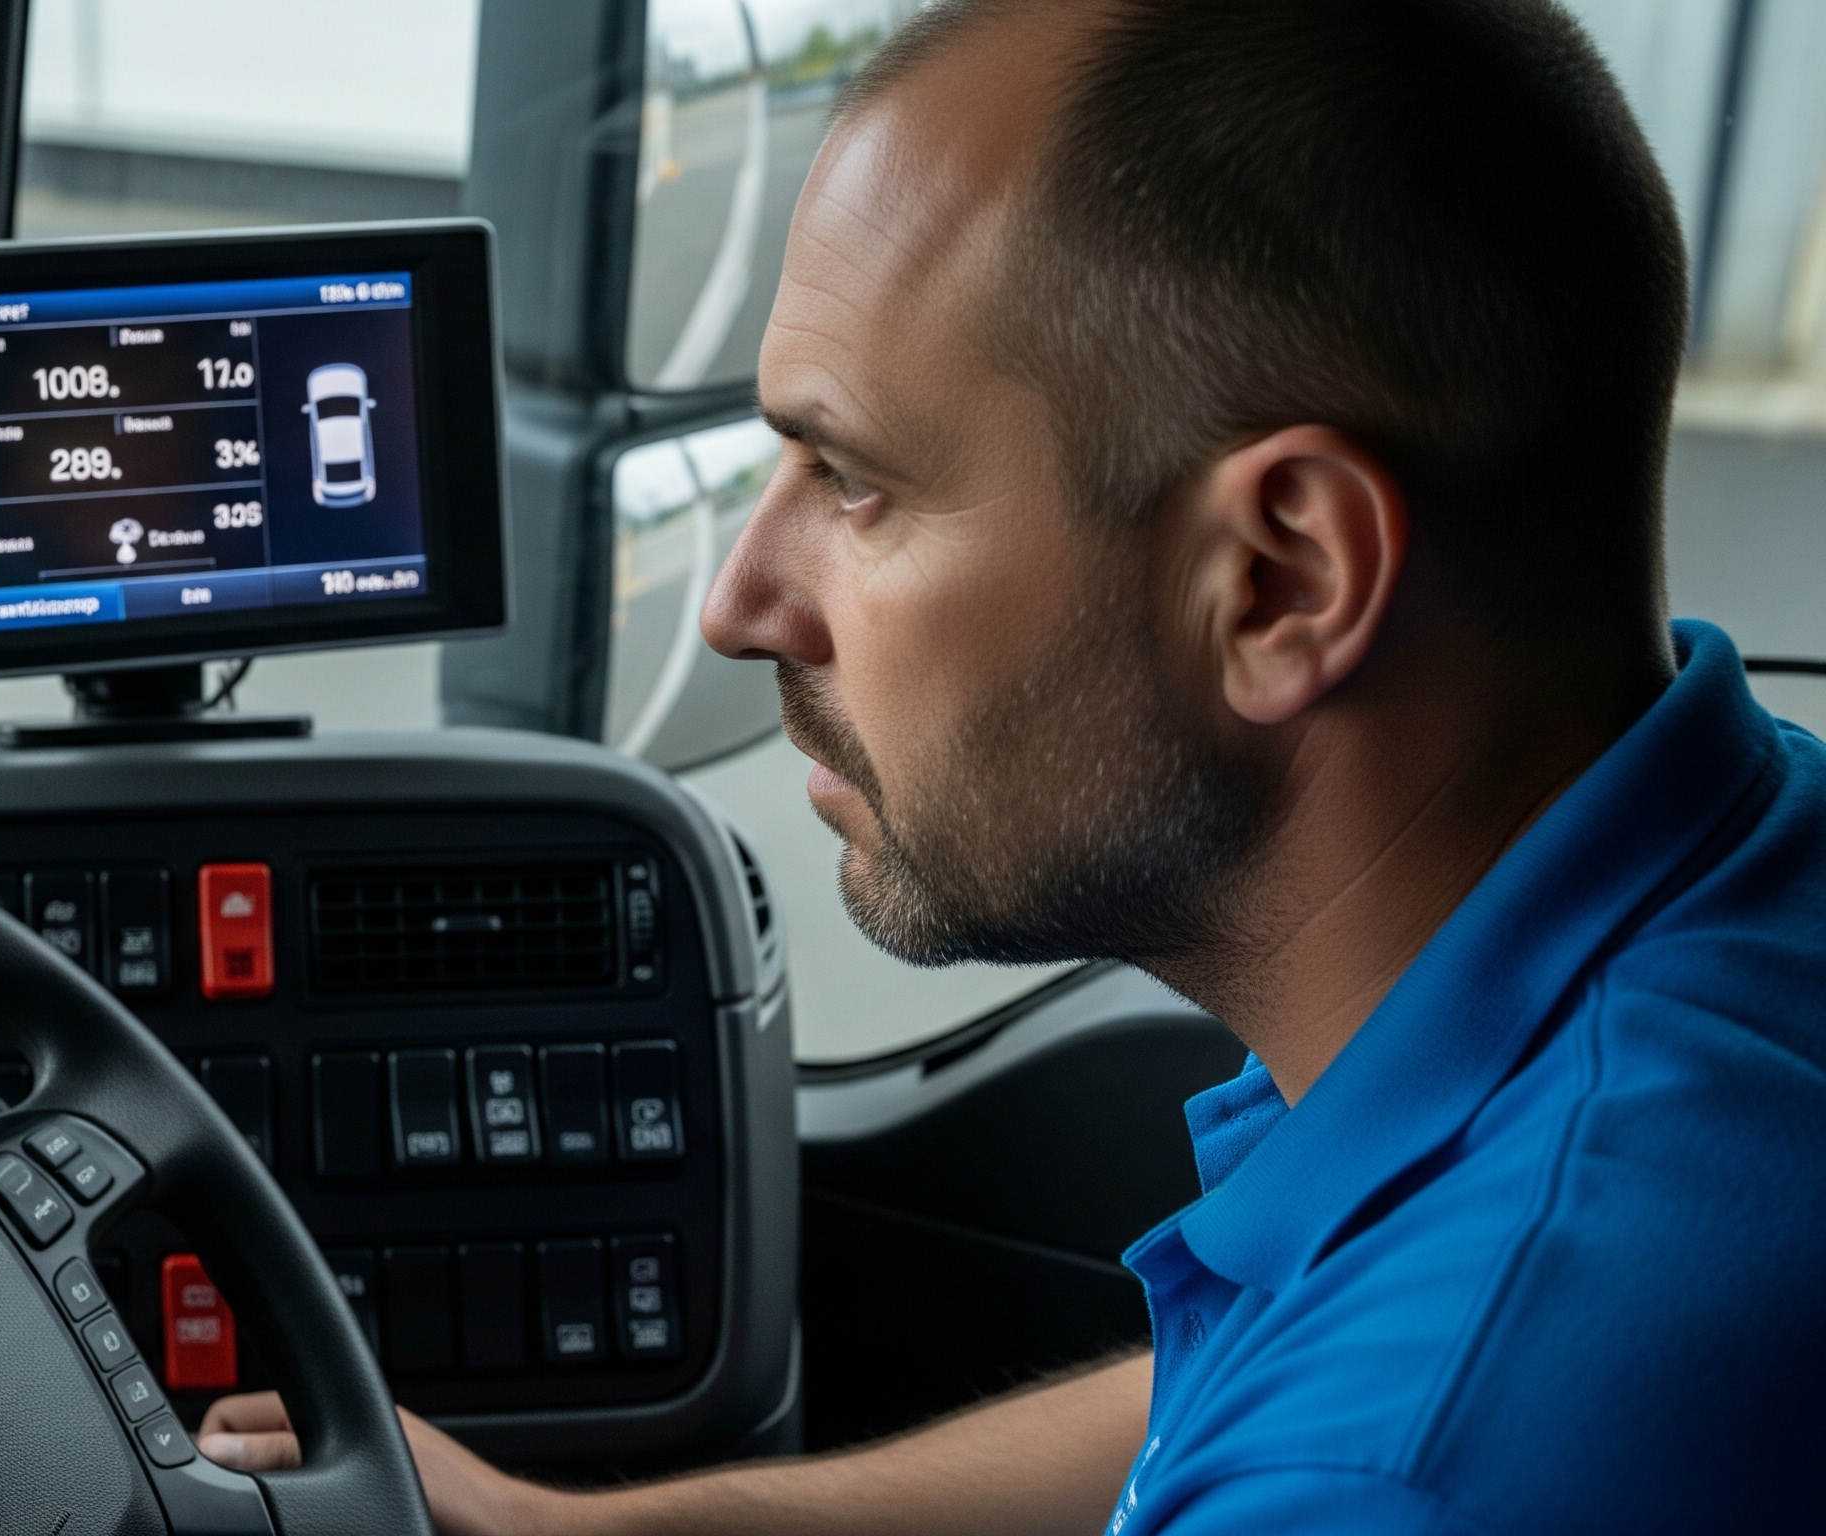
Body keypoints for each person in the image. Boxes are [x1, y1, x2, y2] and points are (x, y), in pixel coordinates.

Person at [198, 0, 1826, 1528]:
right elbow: (1256, 1368)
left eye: (852, 478)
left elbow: (1376, 1421)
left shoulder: (1413, 1458)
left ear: (1281, 581)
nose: (739, 605)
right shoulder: (1725, 886)